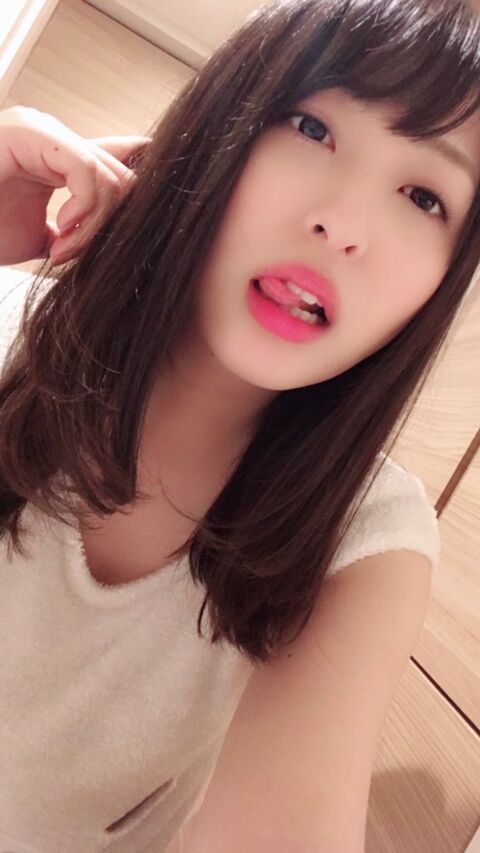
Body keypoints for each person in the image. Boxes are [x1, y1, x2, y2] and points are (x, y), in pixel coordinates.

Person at [0, 0, 479, 850]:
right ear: (221, 123)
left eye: (422, 195)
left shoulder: (366, 540)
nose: (342, 224)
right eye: (313, 127)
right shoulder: (11, 327)